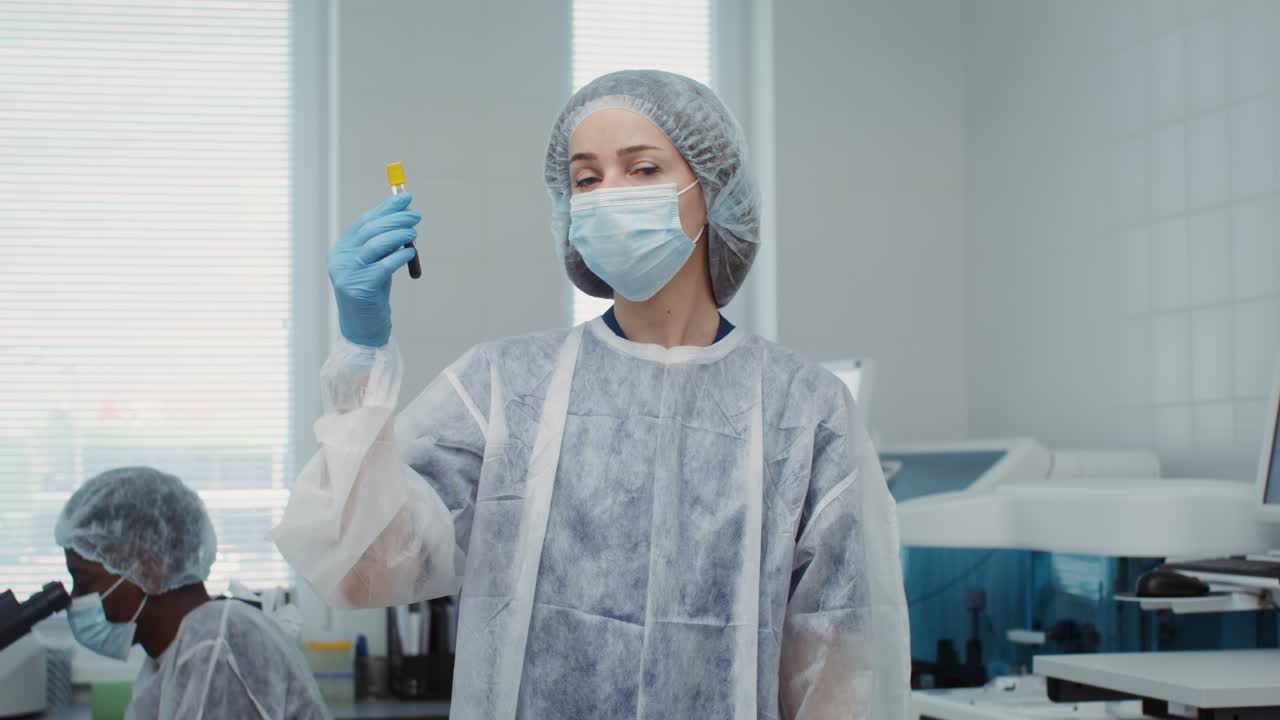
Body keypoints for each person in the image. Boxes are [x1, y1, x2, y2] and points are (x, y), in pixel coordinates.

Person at [274, 69, 909, 719]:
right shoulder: (505, 387)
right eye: (586, 179)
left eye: (642, 170)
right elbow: (365, 566)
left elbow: (841, 668)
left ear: (714, 191)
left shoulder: (805, 410)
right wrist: (361, 352)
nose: (609, 194)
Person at [56, 466, 330, 720]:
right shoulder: (175, 654)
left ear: (149, 568)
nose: (75, 599)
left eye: (85, 582)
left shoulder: (215, 648)